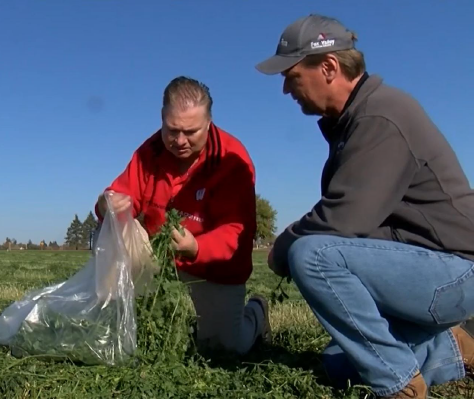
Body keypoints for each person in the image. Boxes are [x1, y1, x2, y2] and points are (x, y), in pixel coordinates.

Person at [255, 14, 474, 399]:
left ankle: (399, 385)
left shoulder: (380, 115)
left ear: (328, 67)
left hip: (457, 272)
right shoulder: (356, 119)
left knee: (312, 254)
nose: (287, 90)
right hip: (431, 268)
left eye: (291, 76)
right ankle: (453, 348)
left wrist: (285, 244)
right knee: (340, 362)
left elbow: (343, 220)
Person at [94, 76, 271, 356]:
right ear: (162, 119)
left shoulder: (231, 159)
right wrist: (107, 204)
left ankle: (257, 313)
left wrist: (196, 248)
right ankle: (112, 314)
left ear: (209, 122)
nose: (179, 141)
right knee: (115, 229)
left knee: (223, 348)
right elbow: (118, 194)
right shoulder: (149, 152)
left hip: (214, 268)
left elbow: (236, 230)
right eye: (172, 130)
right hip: (159, 264)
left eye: (191, 132)